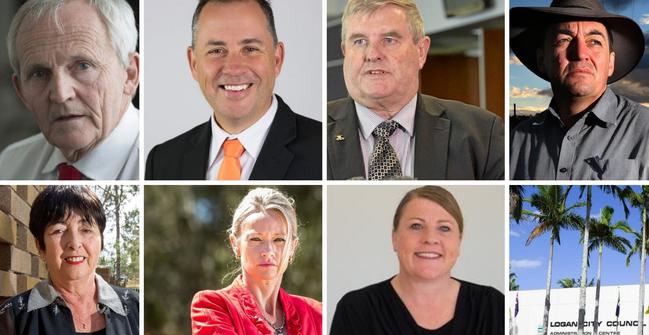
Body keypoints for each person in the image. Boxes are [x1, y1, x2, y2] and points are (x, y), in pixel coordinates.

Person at [327, 0, 504, 180]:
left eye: (389, 40)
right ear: (345, 52)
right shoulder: (314, 133)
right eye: (359, 41)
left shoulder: (483, 134)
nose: (372, 54)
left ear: (421, 51)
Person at [145, 0, 321, 180]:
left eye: (250, 49)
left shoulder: (323, 150)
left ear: (277, 59)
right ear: (194, 63)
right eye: (217, 51)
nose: (234, 68)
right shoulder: (161, 161)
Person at [328, 186, 503, 335]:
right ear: (394, 238)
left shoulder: (494, 308)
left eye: (444, 228)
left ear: (459, 242)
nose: (430, 238)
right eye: (416, 226)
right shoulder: (357, 311)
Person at [0, 0, 140, 180]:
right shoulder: (9, 165)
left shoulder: (154, 166)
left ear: (129, 74)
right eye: (39, 74)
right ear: (21, 92)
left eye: (83, 66)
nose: (60, 94)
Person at [510, 0, 648, 180]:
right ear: (542, 60)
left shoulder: (644, 129)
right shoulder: (518, 139)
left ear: (610, 63)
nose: (580, 53)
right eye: (564, 39)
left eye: (594, 41)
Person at [0, 186, 139, 335]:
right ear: (40, 246)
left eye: (86, 229)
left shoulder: (135, 307)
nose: (74, 243)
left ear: (101, 241)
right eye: (59, 230)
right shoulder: (13, 317)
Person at [191, 188, 322, 335]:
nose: (268, 251)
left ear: (293, 247)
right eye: (255, 239)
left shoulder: (317, 314)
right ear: (235, 244)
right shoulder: (212, 306)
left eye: (279, 240)